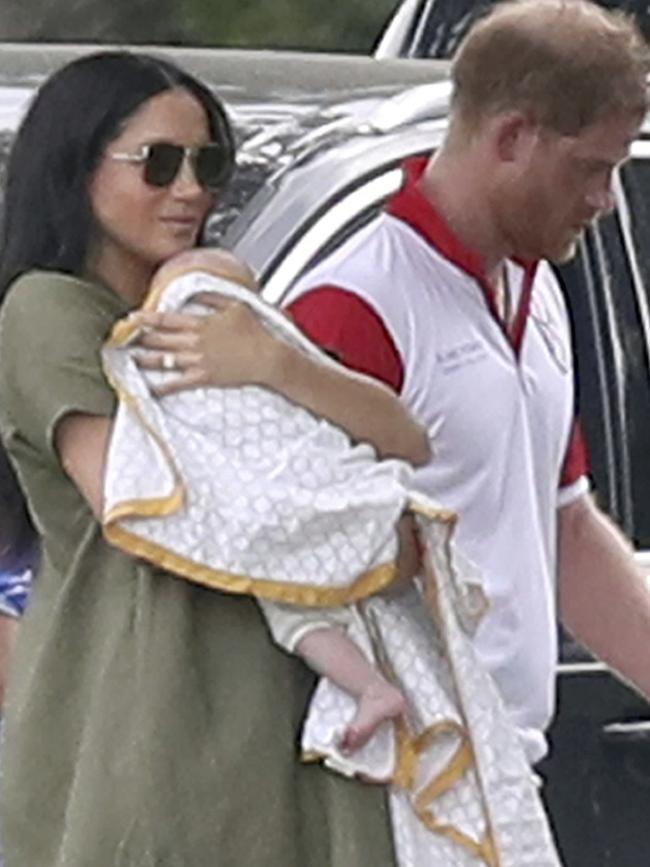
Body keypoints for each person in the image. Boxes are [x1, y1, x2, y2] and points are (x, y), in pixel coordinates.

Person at [0, 50, 436, 867]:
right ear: (75, 167)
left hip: (285, 719)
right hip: (140, 731)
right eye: (159, 164)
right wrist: (368, 541)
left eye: (210, 163)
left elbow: (408, 438)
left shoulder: (219, 310)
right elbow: (148, 506)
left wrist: (275, 363)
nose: (191, 190)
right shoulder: (46, 310)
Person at [279, 0, 650, 767]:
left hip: (509, 762)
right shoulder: (355, 309)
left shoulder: (538, 287)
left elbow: (565, 527)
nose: (604, 199)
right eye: (591, 167)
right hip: (396, 771)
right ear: (512, 136)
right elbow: (282, 559)